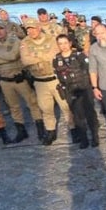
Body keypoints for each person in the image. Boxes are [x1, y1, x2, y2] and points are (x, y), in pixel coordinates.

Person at [0, 18, 42, 143]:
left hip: (19, 78)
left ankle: (40, 129)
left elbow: (13, 55)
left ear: (6, 29)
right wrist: (4, 58)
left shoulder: (16, 41)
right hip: (5, 81)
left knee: (32, 103)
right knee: (14, 107)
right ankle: (21, 131)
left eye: (1, 28)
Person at [20, 17, 72, 145]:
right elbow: (25, 61)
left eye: (33, 28)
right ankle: (50, 131)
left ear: (38, 28)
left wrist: (36, 56)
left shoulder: (51, 39)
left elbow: (53, 56)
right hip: (39, 80)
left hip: (55, 78)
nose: (31, 32)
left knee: (65, 105)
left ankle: (74, 128)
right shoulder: (25, 42)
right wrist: (43, 57)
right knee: (45, 108)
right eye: (28, 29)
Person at [54, 34, 99, 149]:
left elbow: (89, 70)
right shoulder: (56, 59)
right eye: (60, 44)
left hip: (84, 88)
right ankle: (83, 138)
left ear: (70, 43)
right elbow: (58, 76)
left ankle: (94, 136)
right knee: (77, 116)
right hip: (70, 90)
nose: (63, 46)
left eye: (65, 43)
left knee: (89, 113)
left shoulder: (79, 56)